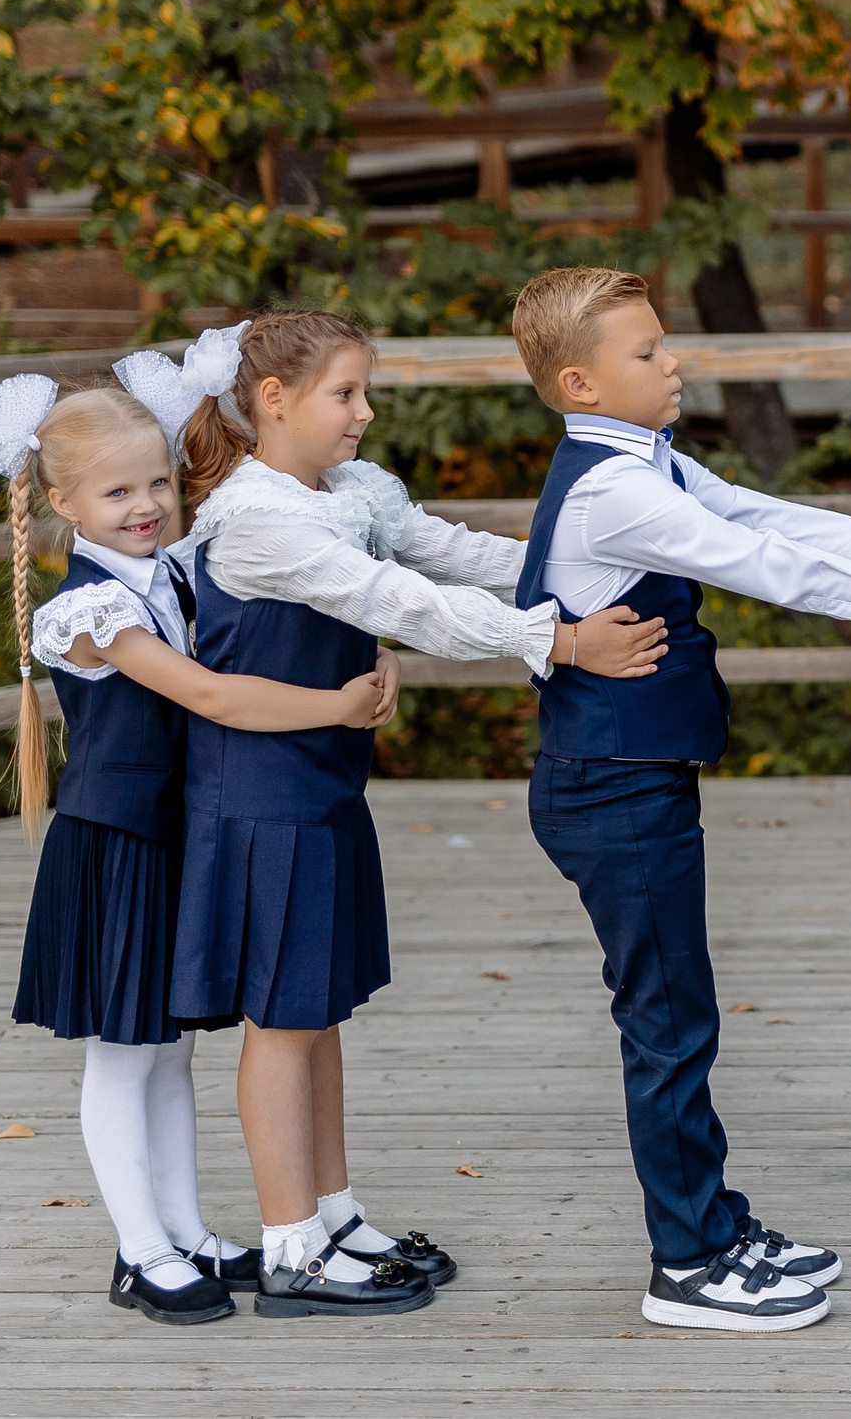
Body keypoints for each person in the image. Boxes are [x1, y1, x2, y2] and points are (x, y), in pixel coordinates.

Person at [506, 266, 851, 1333]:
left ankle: (712, 1222)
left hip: (635, 781)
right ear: (581, 382)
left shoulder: (642, 461)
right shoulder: (612, 489)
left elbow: (776, 520)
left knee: (680, 1016)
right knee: (667, 1025)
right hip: (609, 789)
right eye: (649, 352)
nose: (674, 363)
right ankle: (689, 1264)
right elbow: (764, 569)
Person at [165, 311, 664, 1319]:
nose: (365, 412)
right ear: (274, 401)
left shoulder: (347, 490)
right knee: (281, 1017)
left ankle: (333, 1214)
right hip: (262, 800)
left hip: (322, 784)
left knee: (321, 1007)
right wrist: (560, 642)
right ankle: (289, 1244)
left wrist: (578, 565)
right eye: (345, 394)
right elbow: (402, 604)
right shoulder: (259, 519)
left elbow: (450, 553)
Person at [0, 370, 399, 1326]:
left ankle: (188, 1229)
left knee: (170, 1055)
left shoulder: (172, 568)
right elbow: (211, 695)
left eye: (158, 484)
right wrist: (334, 709)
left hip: (177, 838)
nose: (147, 506)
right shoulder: (89, 612)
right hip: (116, 846)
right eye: (118, 492)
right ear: (63, 500)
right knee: (124, 1057)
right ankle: (139, 1246)